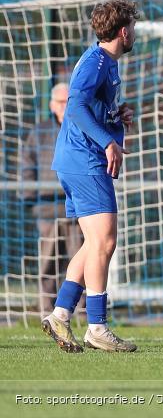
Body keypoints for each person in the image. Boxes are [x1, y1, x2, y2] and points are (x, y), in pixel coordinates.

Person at [42, 0, 139, 353]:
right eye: (133, 28)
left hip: (80, 160)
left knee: (93, 243)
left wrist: (116, 117)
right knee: (105, 242)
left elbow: (94, 109)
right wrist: (107, 144)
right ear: (124, 31)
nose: (134, 34)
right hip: (84, 160)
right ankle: (97, 327)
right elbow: (76, 106)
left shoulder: (107, 63)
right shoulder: (95, 62)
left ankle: (61, 314)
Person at [21, 83, 85, 316]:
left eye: (68, 100)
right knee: (48, 262)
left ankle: (84, 310)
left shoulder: (80, 127)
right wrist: (30, 199)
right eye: (60, 101)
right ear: (51, 105)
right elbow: (27, 167)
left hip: (77, 207)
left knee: (81, 258)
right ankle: (47, 309)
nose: (64, 106)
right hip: (48, 209)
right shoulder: (39, 132)